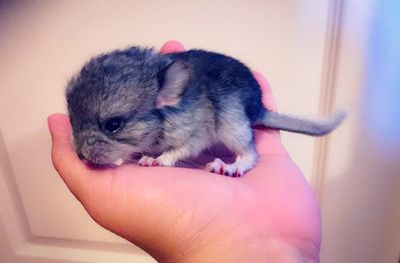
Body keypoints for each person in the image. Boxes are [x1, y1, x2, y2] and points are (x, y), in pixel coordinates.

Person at [48, 41, 321, 263]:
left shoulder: (183, 114)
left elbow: (195, 135)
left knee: (227, 111)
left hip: (231, 99)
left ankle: (246, 157)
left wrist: (169, 156)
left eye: (113, 125)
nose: (83, 150)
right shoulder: (149, 105)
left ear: (167, 95)